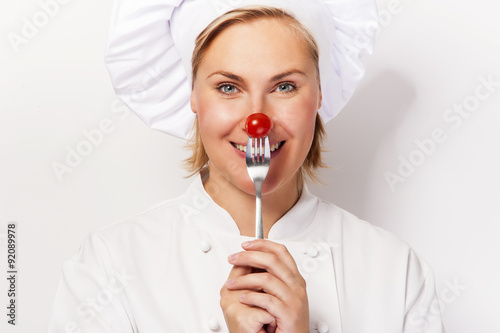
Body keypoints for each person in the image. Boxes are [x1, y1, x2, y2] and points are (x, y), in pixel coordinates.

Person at [49, 1, 446, 332]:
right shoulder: (108, 267)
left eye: (284, 86)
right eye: (228, 87)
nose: (257, 119)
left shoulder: (397, 274)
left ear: (320, 94)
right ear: (193, 96)